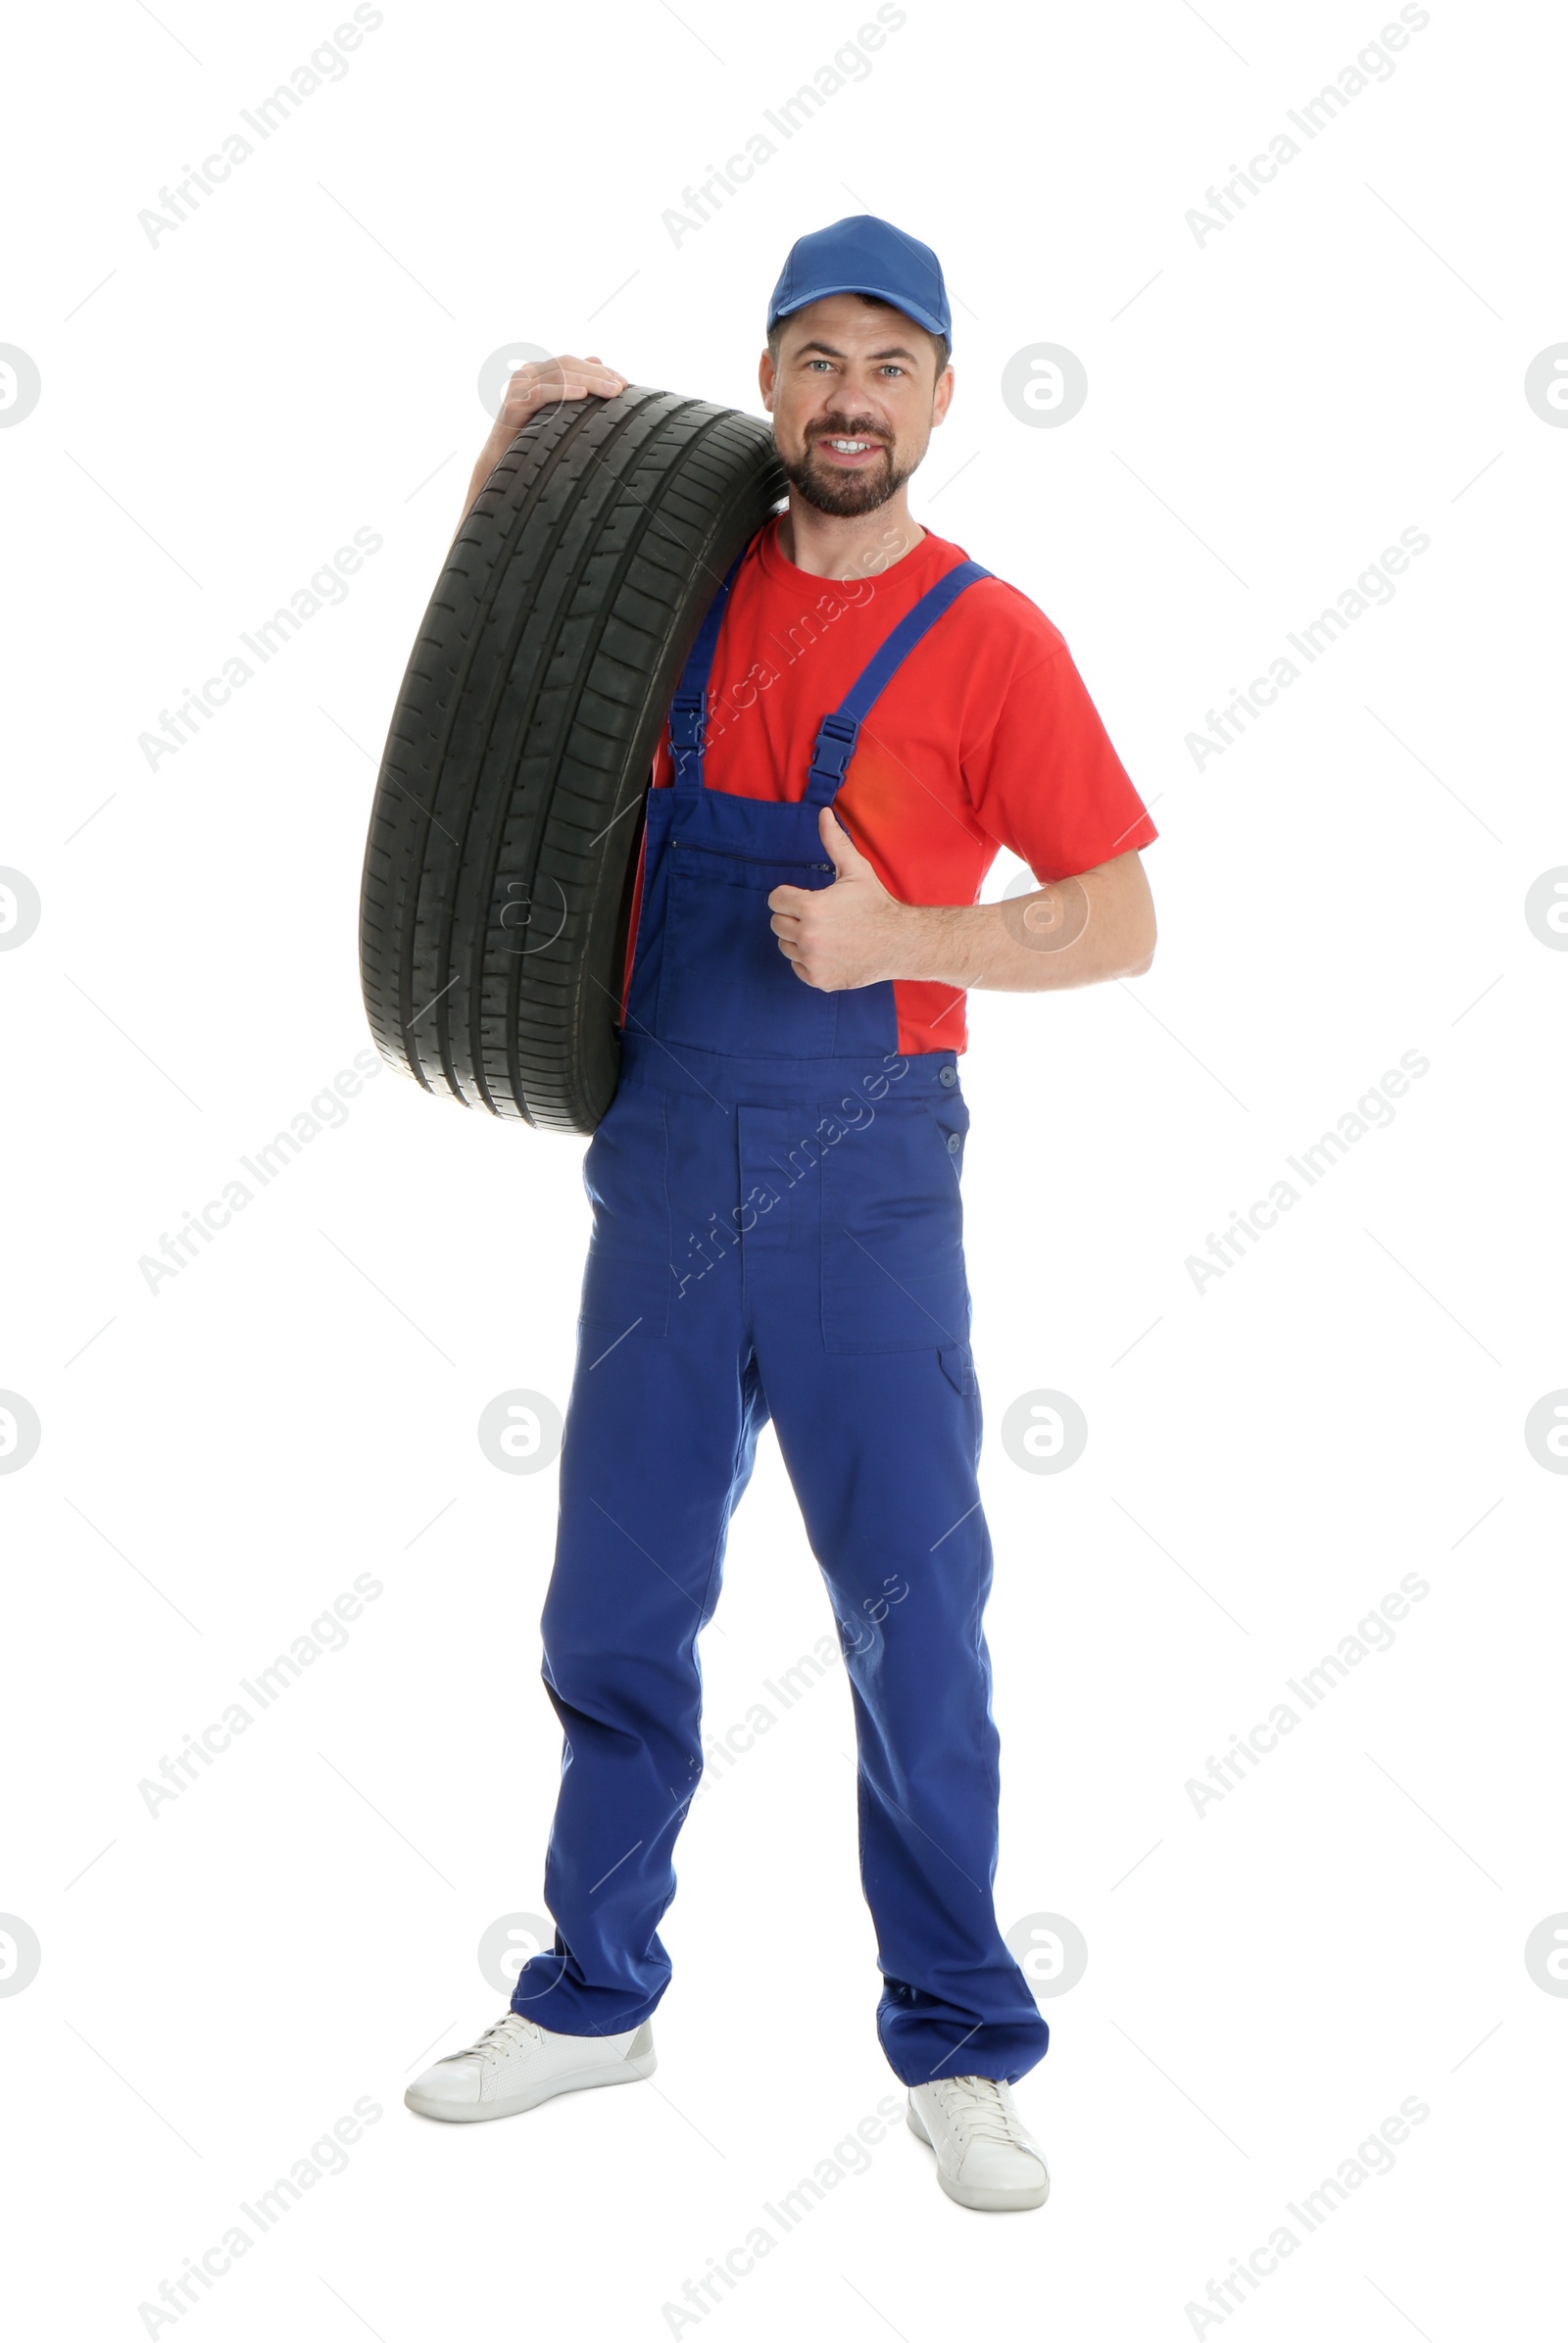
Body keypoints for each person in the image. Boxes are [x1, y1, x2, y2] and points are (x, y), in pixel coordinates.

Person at [406, 215, 1158, 2214]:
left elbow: (1120, 915)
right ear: (765, 381)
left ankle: (962, 2042)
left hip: (866, 1175)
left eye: (889, 364)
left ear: (939, 394)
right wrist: (519, 456)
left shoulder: (993, 639)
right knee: (615, 1597)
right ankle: (589, 1995)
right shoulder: (680, 583)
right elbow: (502, 682)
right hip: (661, 1154)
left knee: (910, 1625)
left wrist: (902, 927)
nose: (848, 399)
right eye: (816, 358)